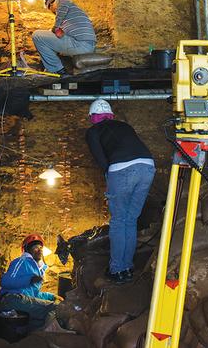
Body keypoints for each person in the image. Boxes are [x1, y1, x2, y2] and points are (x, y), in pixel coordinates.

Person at [85, 99, 156, 284]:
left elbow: (101, 159)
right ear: (111, 115)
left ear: (92, 117)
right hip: (147, 166)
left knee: (118, 221)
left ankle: (117, 270)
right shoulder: (124, 126)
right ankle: (127, 268)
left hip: (122, 169)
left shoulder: (93, 131)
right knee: (130, 220)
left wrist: (109, 181)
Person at [0, 233, 60, 331]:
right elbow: (5, 281)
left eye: (41, 248)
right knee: (56, 308)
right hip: (11, 299)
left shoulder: (37, 269)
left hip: (23, 300)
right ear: (27, 249)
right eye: (35, 247)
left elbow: (33, 294)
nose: (39, 250)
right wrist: (29, 279)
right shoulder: (21, 261)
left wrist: (51, 296)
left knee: (39, 323)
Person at [32, 0, 96, 75]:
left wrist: (55, 27)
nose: (53, 12)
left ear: (51, 2)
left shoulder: (62, 2)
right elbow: (62, 33)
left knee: (37, 35)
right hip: (86, 45)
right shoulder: (72, 10)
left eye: (51, 9)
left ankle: (58, 71)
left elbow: (60, 16)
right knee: (49, 37)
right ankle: (58, 68)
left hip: (80, 45)